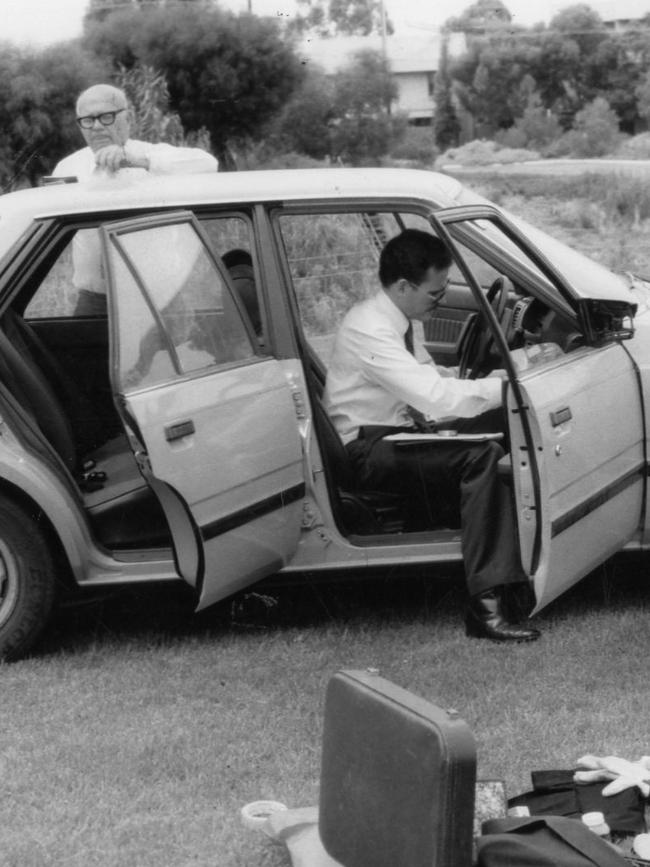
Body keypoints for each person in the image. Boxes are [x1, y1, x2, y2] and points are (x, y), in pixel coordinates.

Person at [324, 228, 540, 642]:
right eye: (436, 294)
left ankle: (507, 574)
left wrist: (520, 363)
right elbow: (436, 399)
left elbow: (430, 378)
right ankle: (486, 605)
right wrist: (510, 386)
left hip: (395, 434)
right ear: (404, 286)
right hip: (368, 449)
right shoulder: (370, 329)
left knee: (484, 430)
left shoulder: (397, 319)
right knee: (483, 456)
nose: (440, 301)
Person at [51, 83, 218, 314]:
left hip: (156, 298)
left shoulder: (149, 154)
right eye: (88, 120)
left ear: (126, 117)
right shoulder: (68, 167)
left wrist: (137, 161)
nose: (97, 126)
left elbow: (209, 163)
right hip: (95, 300)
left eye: (106, 117)